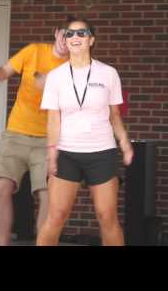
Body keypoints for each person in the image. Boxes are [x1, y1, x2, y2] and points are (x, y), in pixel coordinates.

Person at [37, 17, 134, 246]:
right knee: (56, 217)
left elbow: (115, 115)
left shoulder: (108, 73)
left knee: (107, 217)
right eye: (70, 34)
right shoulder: (55, 76)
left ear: (91, 39)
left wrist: (125, 142)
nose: (75, 38)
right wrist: (51, 152)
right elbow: (53, 118)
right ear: (65, 40)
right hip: (66, 153)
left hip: (101, 152)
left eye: (82, 33)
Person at [0, 26, 69, 246]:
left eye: (73, 36)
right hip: (16, 133)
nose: (66, 39)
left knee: (47, 194)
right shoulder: (34, 51)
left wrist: (50, 83)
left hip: (48, 140)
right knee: (1, 188)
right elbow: (5, 69)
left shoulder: (74, 67)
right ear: (56, 33)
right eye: (65, 33)